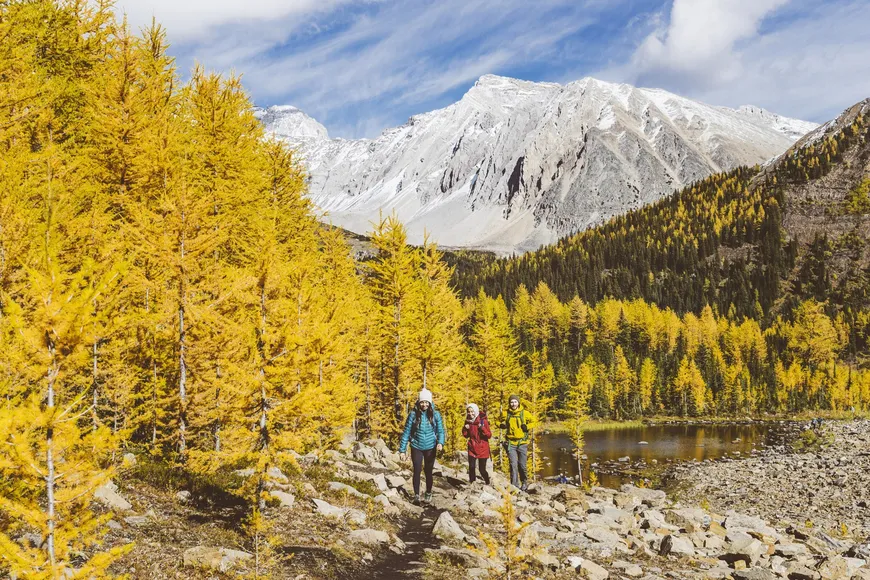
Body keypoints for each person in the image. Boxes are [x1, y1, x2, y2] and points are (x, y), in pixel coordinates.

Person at [399, 388, 445, 505]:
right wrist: (402, 450)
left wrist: (440, 442)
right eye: (422, 402)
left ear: (430, 402)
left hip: (431, 447)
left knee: (428, 471)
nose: (424, 404)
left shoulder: (435, 415)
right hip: (416, 446)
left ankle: (428, 492)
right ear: (419, 402)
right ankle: (417, 495)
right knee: (417, 470)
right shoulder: (413, 415)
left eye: (426, 402)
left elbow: (440, 430)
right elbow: (406, 432)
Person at [499, 394, 536, 491]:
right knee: (513, 464)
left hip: (522, 443)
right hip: (510, 443)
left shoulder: (525, 413)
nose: (513, 404)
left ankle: (524, 482)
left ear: (518, 403)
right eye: (511, 402)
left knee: (522, 465)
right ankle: (514, 486)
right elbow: (497, 421)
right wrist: (501, 425)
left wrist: (527, 427)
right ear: (509, 403)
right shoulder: (505, 413)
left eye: (515, 402)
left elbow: (534, 421)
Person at [462, 403, 491, 485]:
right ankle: (472, 484)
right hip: (472, 447)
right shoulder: (467, 421)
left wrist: (482, 428)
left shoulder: (483, 421)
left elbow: (489, 435)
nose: (470, 414)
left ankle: (487, 482)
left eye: (472, 411)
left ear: (476, 411)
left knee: (482, 470)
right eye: (468, 412)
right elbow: (466, 435)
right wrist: (465, 428)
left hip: (483, 448)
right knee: (471, 467)